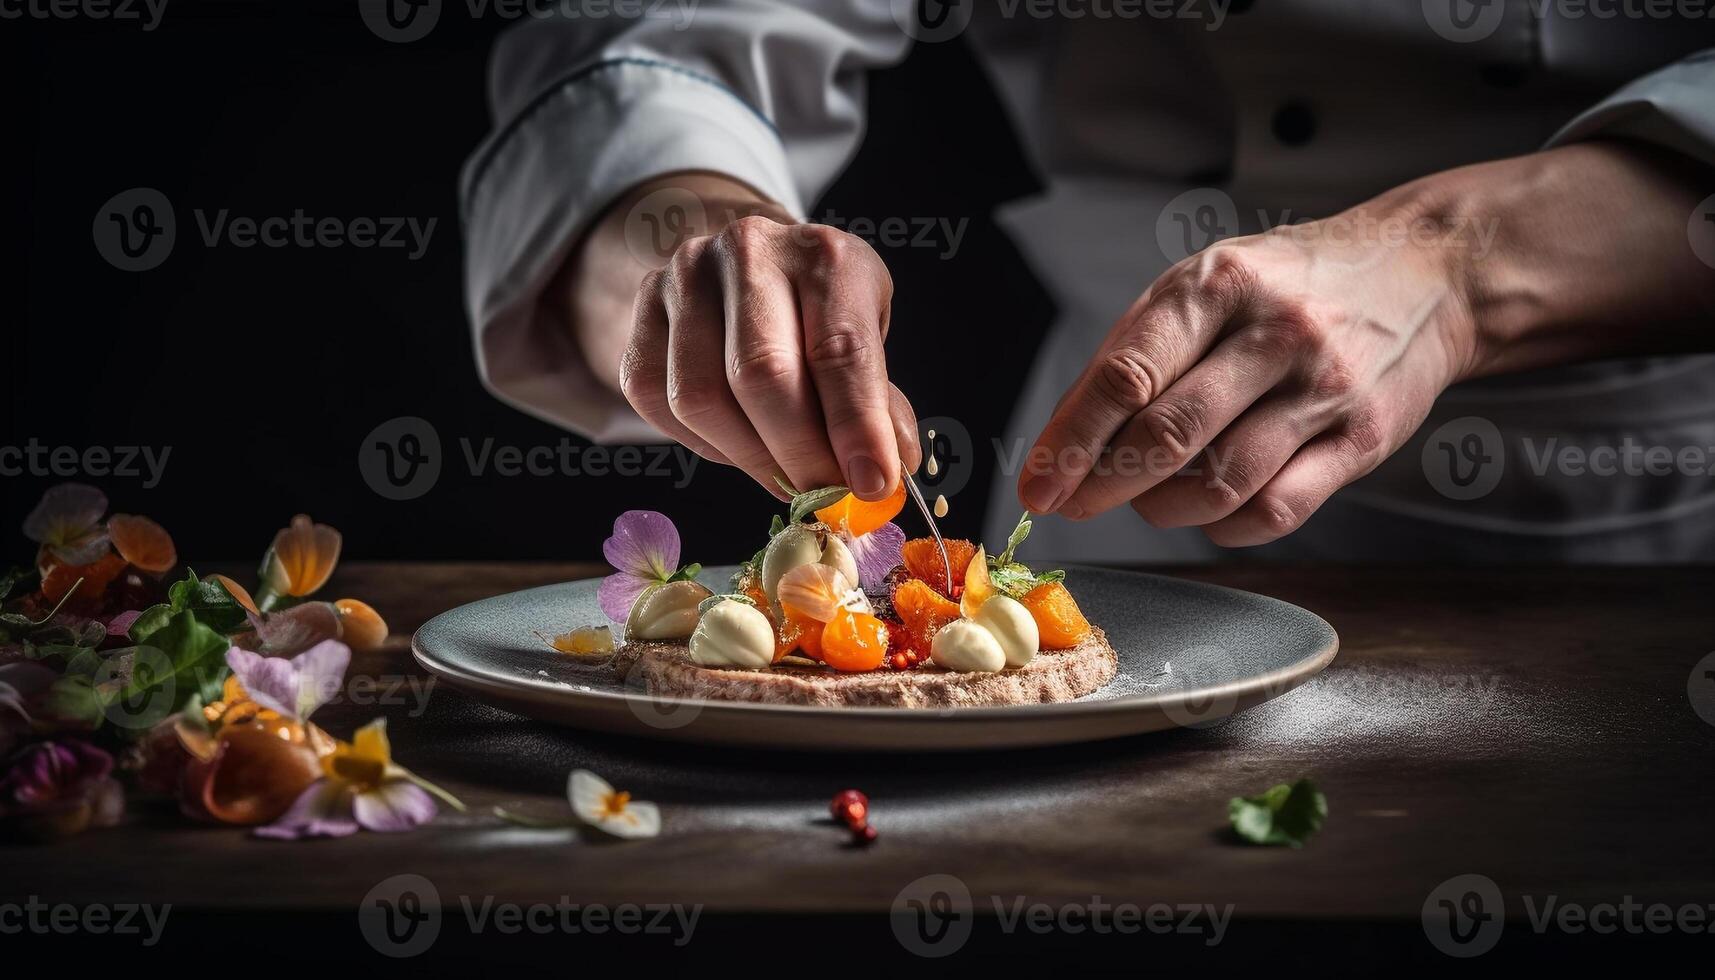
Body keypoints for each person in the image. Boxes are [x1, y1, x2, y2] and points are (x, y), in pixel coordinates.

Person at [459, 2, 1715, 562]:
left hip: (1650, 522)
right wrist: (694, 240)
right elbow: (657, 43)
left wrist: (1455, 265)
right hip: (1121, 515)